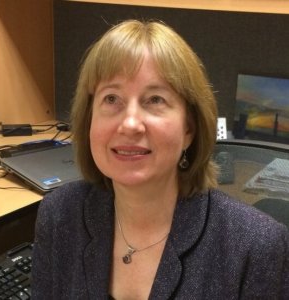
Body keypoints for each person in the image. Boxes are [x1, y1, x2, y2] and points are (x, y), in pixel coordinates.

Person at [32, 20, 289, 299]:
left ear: (189, 128)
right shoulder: (59, 213)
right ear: (89, 119)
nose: (130, 124)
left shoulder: (256, 247)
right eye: (111, 98)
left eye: (154, 99)